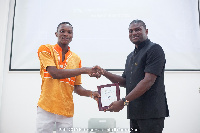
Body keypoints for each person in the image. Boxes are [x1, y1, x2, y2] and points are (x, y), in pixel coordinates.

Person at [92, 19, 169, 133]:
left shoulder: (154, 49)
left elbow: (148, 81)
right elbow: (125, 81)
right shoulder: (130, 56)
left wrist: (123, 102)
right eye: (131, 31)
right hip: (135, 111)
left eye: (137, 30)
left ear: (146, 31)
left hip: (151, 112)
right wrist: (104, 72)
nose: (134, 33)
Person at [36, 22, 100, 133]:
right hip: (46, 106)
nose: (66, 34)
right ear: (56, 34)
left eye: (69, 32)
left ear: (72, 36)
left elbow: (77, 88)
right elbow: (55, 74)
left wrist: (91, 93)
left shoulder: (76, 59)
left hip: (66, 110)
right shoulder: (45, 49)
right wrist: (85, 69)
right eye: (62, 31)